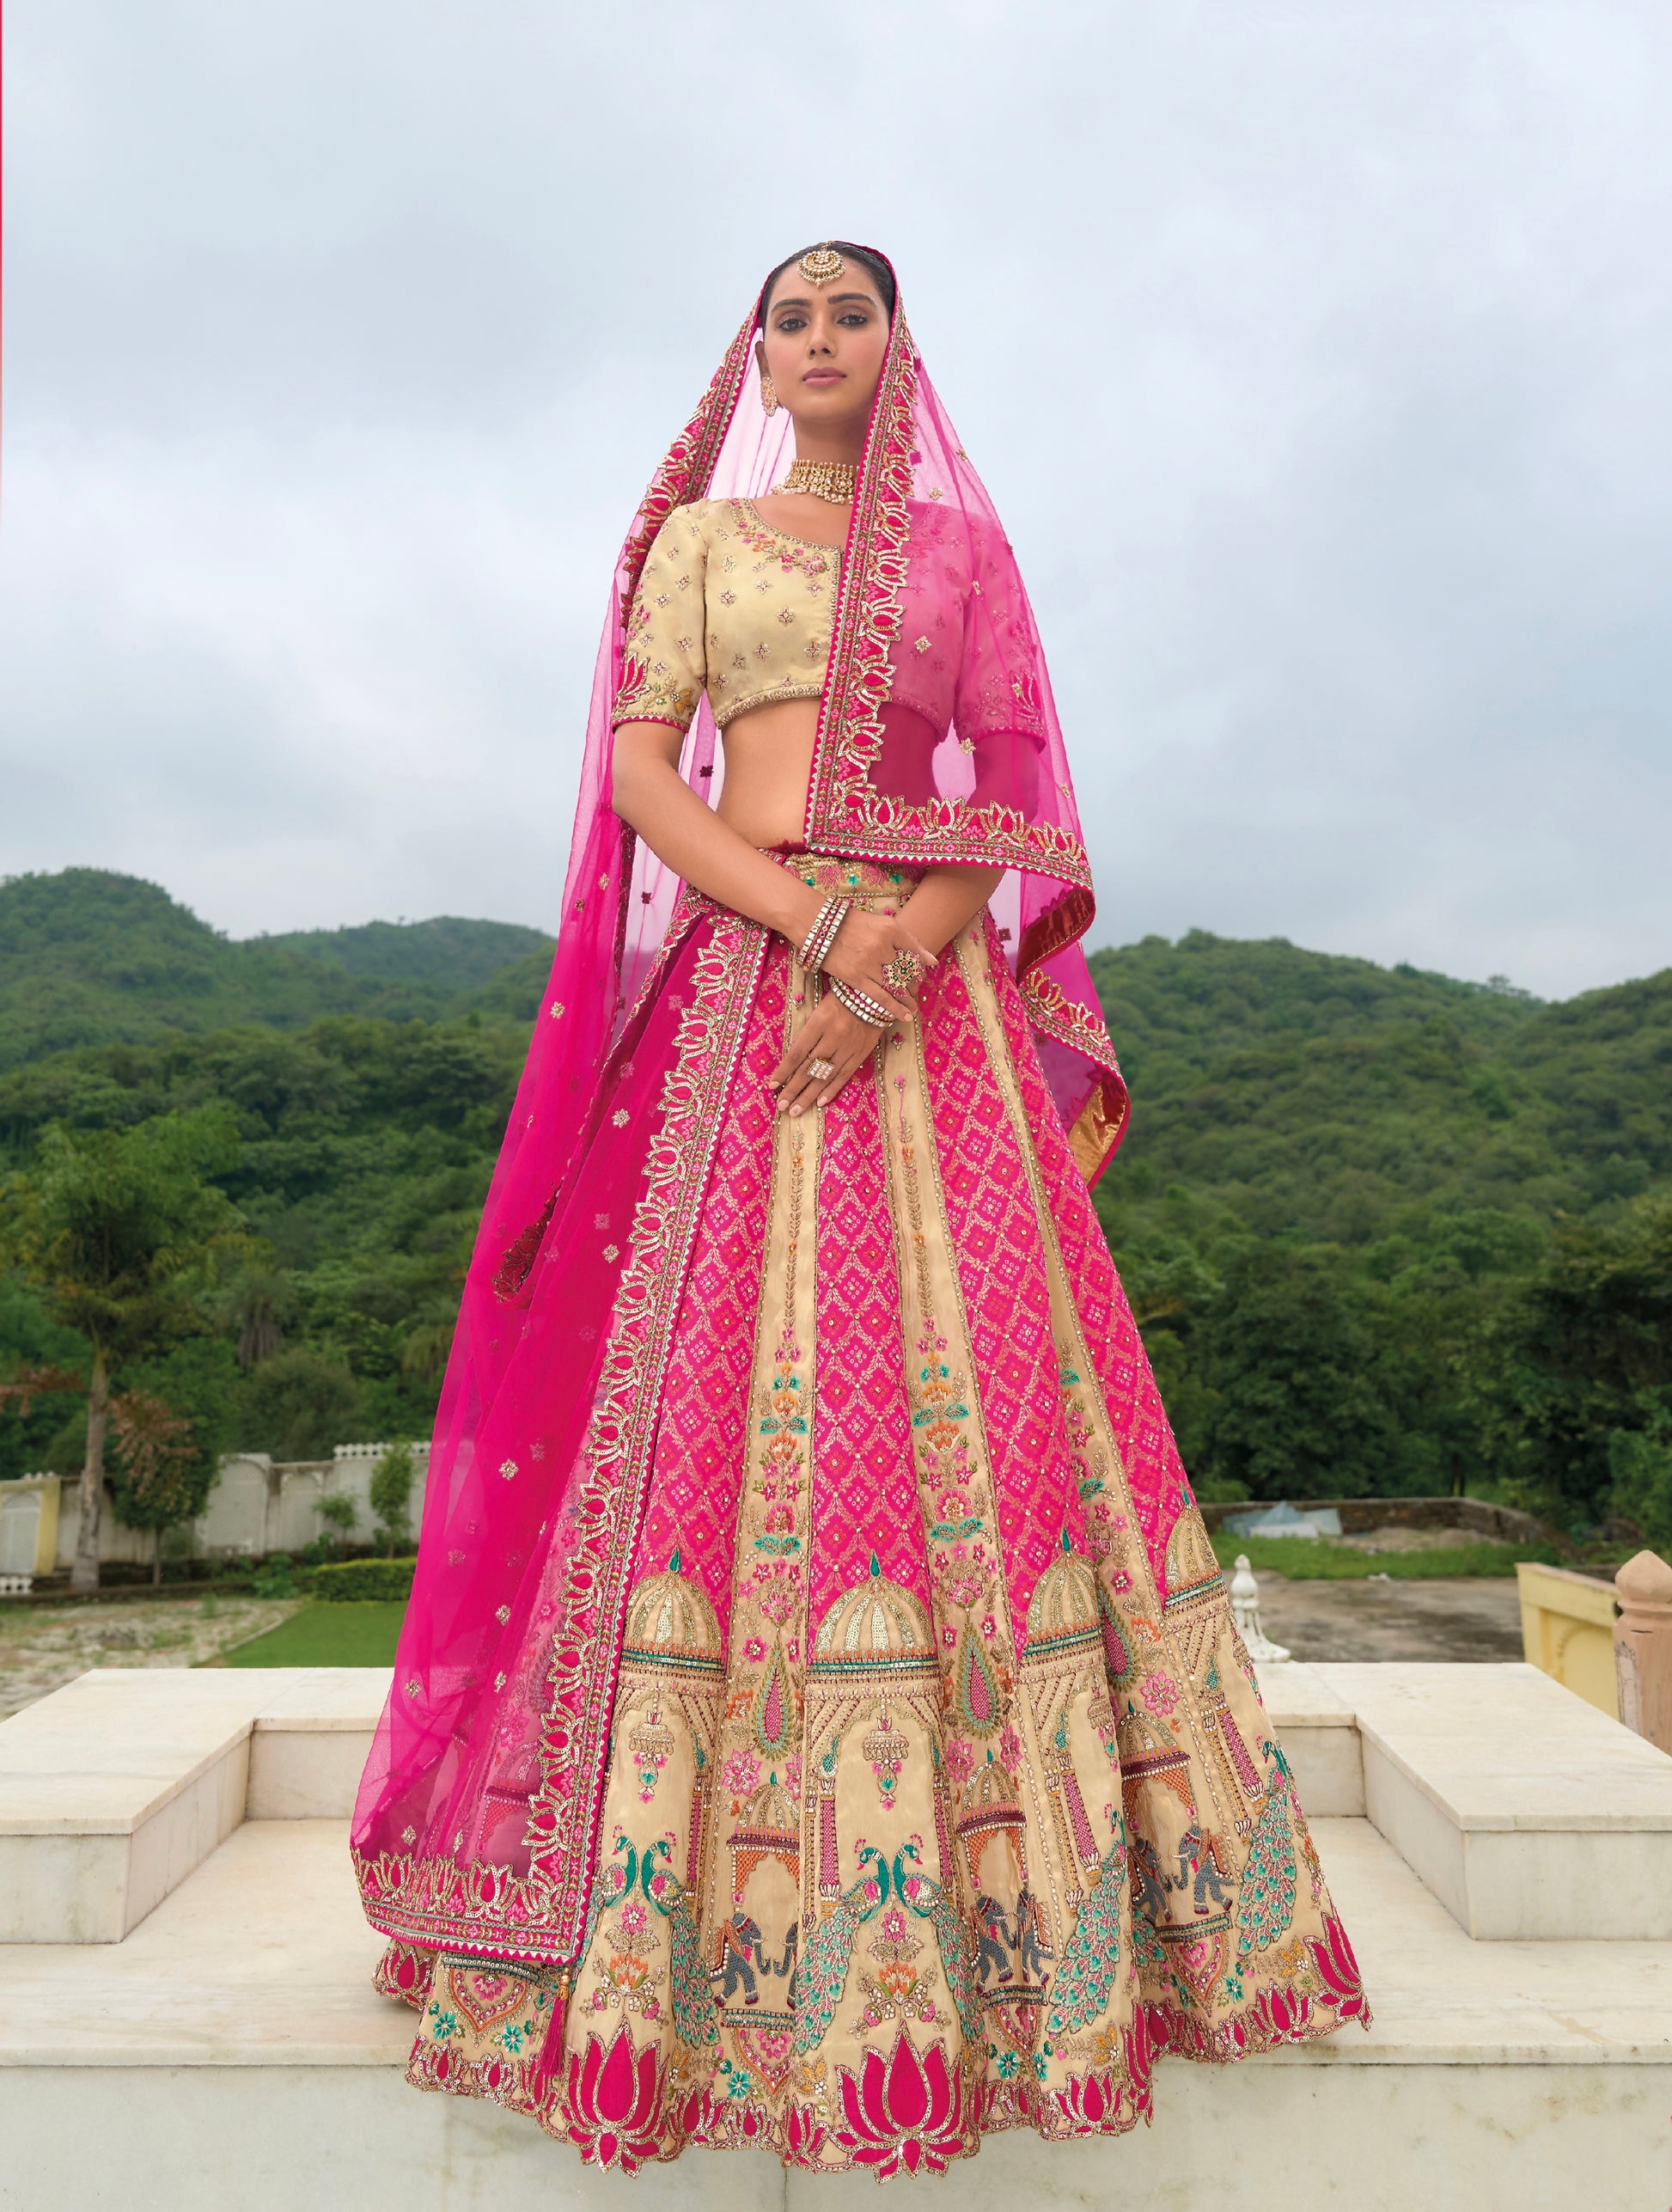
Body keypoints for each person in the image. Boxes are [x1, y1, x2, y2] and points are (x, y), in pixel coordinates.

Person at [351, 241, 1369, 2176]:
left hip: (931, 1009)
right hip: (745, 985)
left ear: (901, 345)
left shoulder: (965, 554)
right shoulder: (698, 543)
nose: (816, 340)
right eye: (787, 318)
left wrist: (892, 952)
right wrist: (809, 920)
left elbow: (1010, 798)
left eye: (849, 312)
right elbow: (651, 782)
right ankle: (669, 1939)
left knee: (986, 1402)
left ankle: (1049, 1933)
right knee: (695, 1411)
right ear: (757, 357)